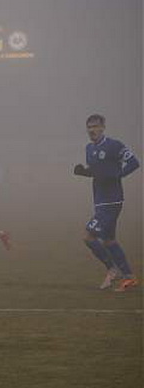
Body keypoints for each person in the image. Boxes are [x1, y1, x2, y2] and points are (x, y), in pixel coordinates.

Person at [74, 114, 139, 292]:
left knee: (88, 236)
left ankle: (112, 269)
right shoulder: (89, 148)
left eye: (95, 126)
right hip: (100, 199)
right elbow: (98, 172)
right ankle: (129, 277)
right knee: (109, 240)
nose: (91, 130)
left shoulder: (114, 145)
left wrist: (118, 175)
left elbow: (134, 163)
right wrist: (84, 172)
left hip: (112, 200)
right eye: (89, 127)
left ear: (103, 127)